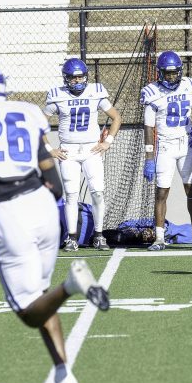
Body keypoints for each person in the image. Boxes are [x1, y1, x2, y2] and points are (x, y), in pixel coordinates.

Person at [0, 60, 110, 383]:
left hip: (8, 211)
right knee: (40, 295)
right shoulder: (25, 112)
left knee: (29, 312)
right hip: (43, 207)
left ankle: (71, 285)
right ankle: (63, 375)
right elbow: (53, 181)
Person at [44, 58, 122, 251]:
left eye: (80, 77)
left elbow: (116, 117)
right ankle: (72, 237)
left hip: (91, 149)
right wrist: (50, 149)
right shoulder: (57, 95)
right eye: (73, 78)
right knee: (71, 195)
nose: (77, 81)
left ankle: (99, 235)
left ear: (86, 76)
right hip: (68, 151)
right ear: (66, 78)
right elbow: (39, 123)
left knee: (97, 192)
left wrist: (108, 141)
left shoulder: (96, 92)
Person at [141, 51, 192, 250]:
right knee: (162, 192)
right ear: (160, 73)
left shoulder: (189, 85)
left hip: (186, 145)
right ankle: (159, 238)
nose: (171, 77)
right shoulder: (152, 91)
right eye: (167, 73)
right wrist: (149, 157)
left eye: (174, 73)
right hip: (166, 146)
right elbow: (148, 127)